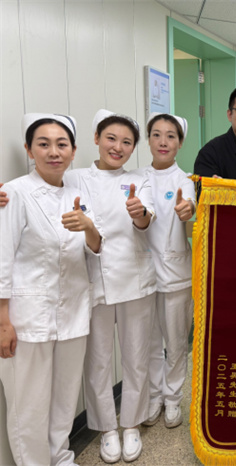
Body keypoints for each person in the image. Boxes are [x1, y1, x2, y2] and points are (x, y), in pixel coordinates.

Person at [0, 114, 102, 465]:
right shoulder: (14, 193)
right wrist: (3, 320)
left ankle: (61, 458)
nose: (53, 152)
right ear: (29, 150)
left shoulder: (77, 195)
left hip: (73, 312)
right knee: (28, 405)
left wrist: (88, 226)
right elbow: (2, 257)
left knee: (64, 397)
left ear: (74, 151)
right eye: (43, 144)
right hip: (28, 318)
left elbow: (95, 248)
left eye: (62, 144)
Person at [64, 109, 157, 463]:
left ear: (134, 147)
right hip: (93, 280)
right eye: (111, 139)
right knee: (98, 361)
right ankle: (106, 429)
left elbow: (147, 219)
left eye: (127, 142)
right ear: (96, 139)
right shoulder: (74, 178)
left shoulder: (139, 179)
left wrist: (139, 213)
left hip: (135, 279)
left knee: (136, 356)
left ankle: (131, 423)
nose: (118, 147)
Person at [132, 113, 195, 430]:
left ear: (180, 143)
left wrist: (187, 209)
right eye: (156, 134)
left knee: (176, 343)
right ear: (148, 140)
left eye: (171, 136)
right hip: (142, 274)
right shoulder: (137, 177)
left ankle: (173, 399)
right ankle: (154, 397)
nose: (163, 141)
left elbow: (190, 206)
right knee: (150, 342)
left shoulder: (185, 180)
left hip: (175, 275)